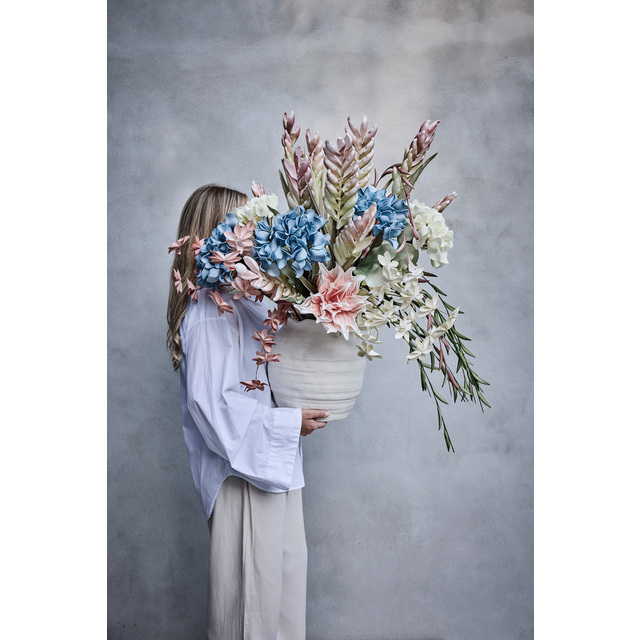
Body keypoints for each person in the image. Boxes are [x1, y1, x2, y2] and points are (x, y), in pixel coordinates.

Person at [166, 183, 330, 640]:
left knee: (279, 605)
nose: (256, 235)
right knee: (250, 612)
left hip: (273, 466)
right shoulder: (209, 309)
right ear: (215, 234)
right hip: (241, 477)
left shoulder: (243, 301)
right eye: (245, 225)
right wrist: (288, 422)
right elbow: (210, 405)